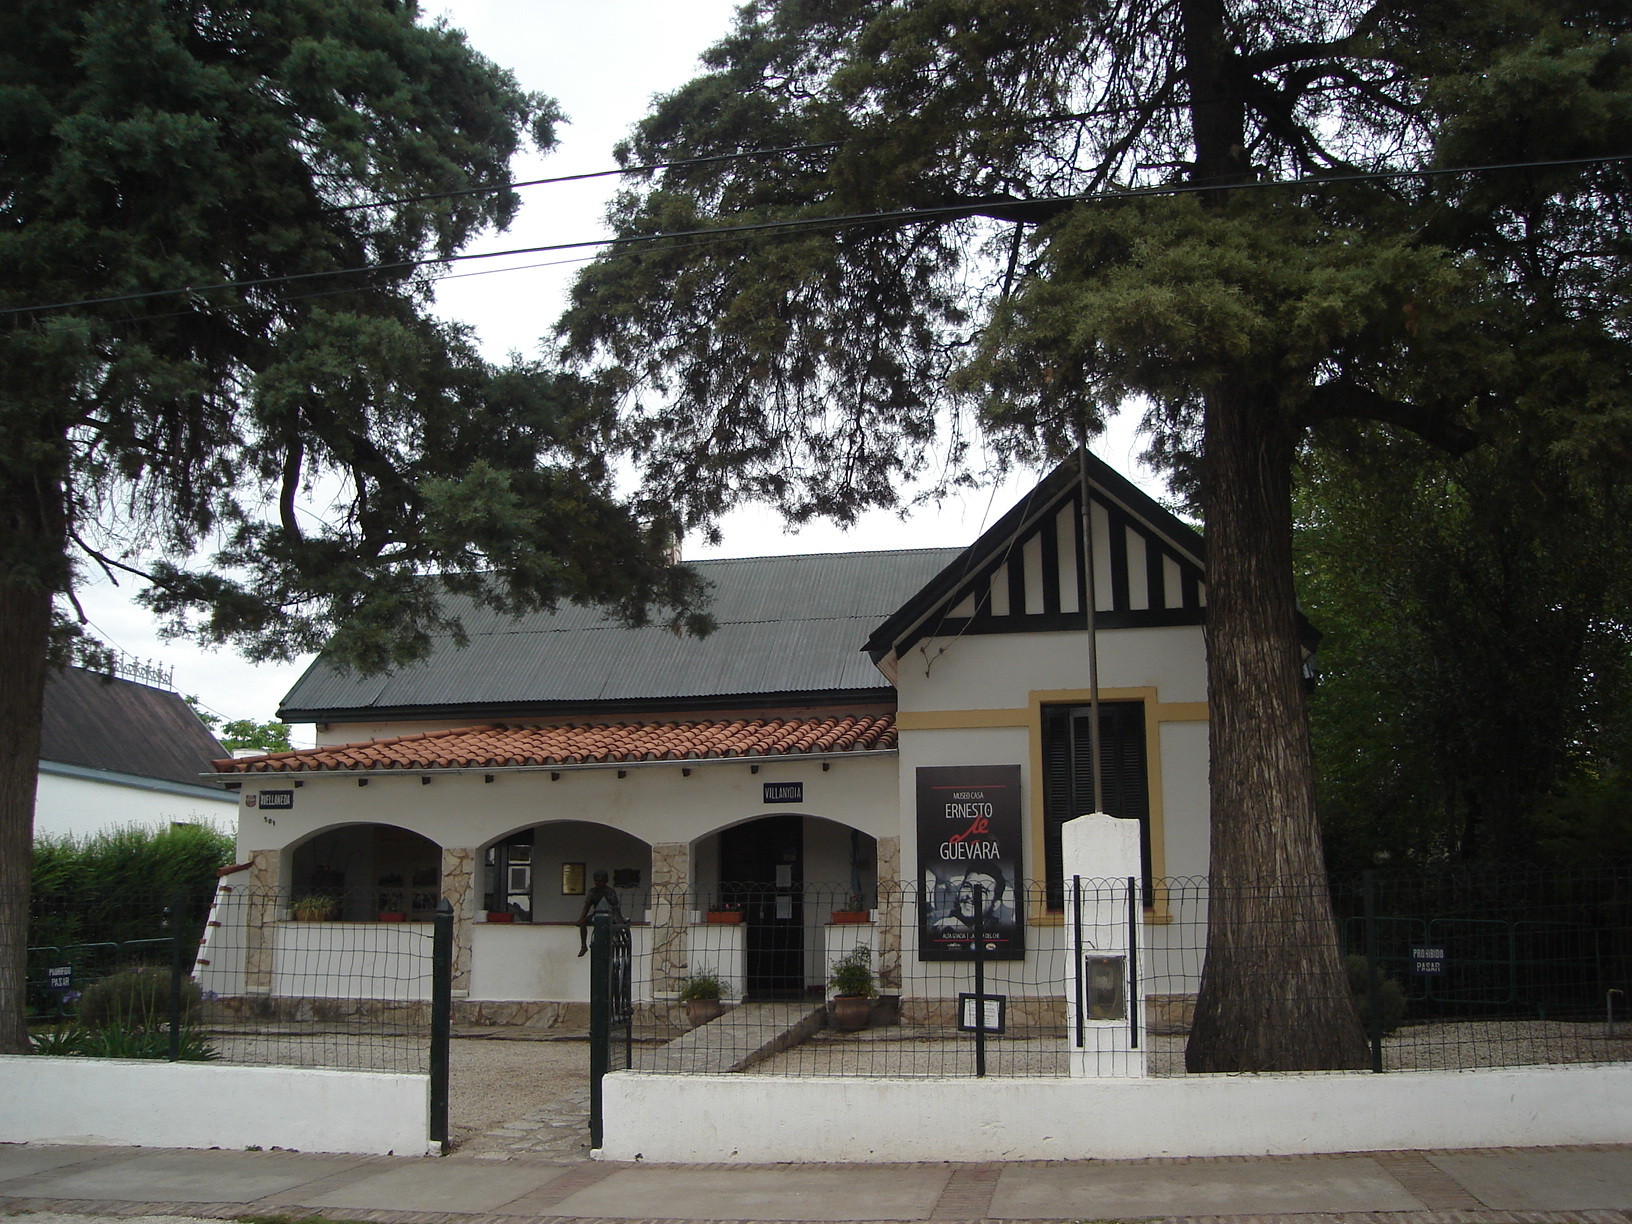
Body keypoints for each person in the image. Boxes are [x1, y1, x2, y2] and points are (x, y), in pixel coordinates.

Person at [576, 869, 622, 955]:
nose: (598, 883)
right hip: (596, 915)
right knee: (583, 923)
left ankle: (615, 940)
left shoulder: (610, 891)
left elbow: (616, 907)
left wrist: (619, 920)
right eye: (596, 880)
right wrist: (582, 918)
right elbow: (587, 906)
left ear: (605, 881)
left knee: (615, 926)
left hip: (609, 916)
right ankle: (583, 946)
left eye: (600, 881)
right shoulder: (592, 891)